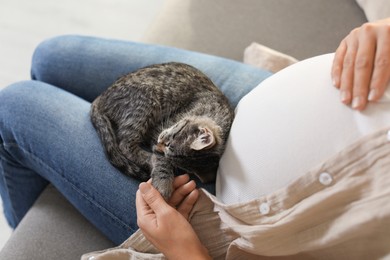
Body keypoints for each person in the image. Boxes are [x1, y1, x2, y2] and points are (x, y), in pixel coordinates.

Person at [0, 17, 389, 259]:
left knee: (14, 104)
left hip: (230, 216)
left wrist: (187, 253)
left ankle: (28, 235)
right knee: (51, 55)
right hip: (256, 98)